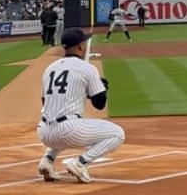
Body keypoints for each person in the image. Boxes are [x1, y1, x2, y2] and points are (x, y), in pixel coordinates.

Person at [35, 28, 126, 183]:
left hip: (43, 132)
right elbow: (99, 104)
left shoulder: (49, 69)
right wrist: (102, 88)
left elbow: (46, 102)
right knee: (118, 134)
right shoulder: (87, 68)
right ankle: (80, 163)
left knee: (63, 124)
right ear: (81, 46)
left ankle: (47, 160)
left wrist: (85, 91)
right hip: (68, 131)